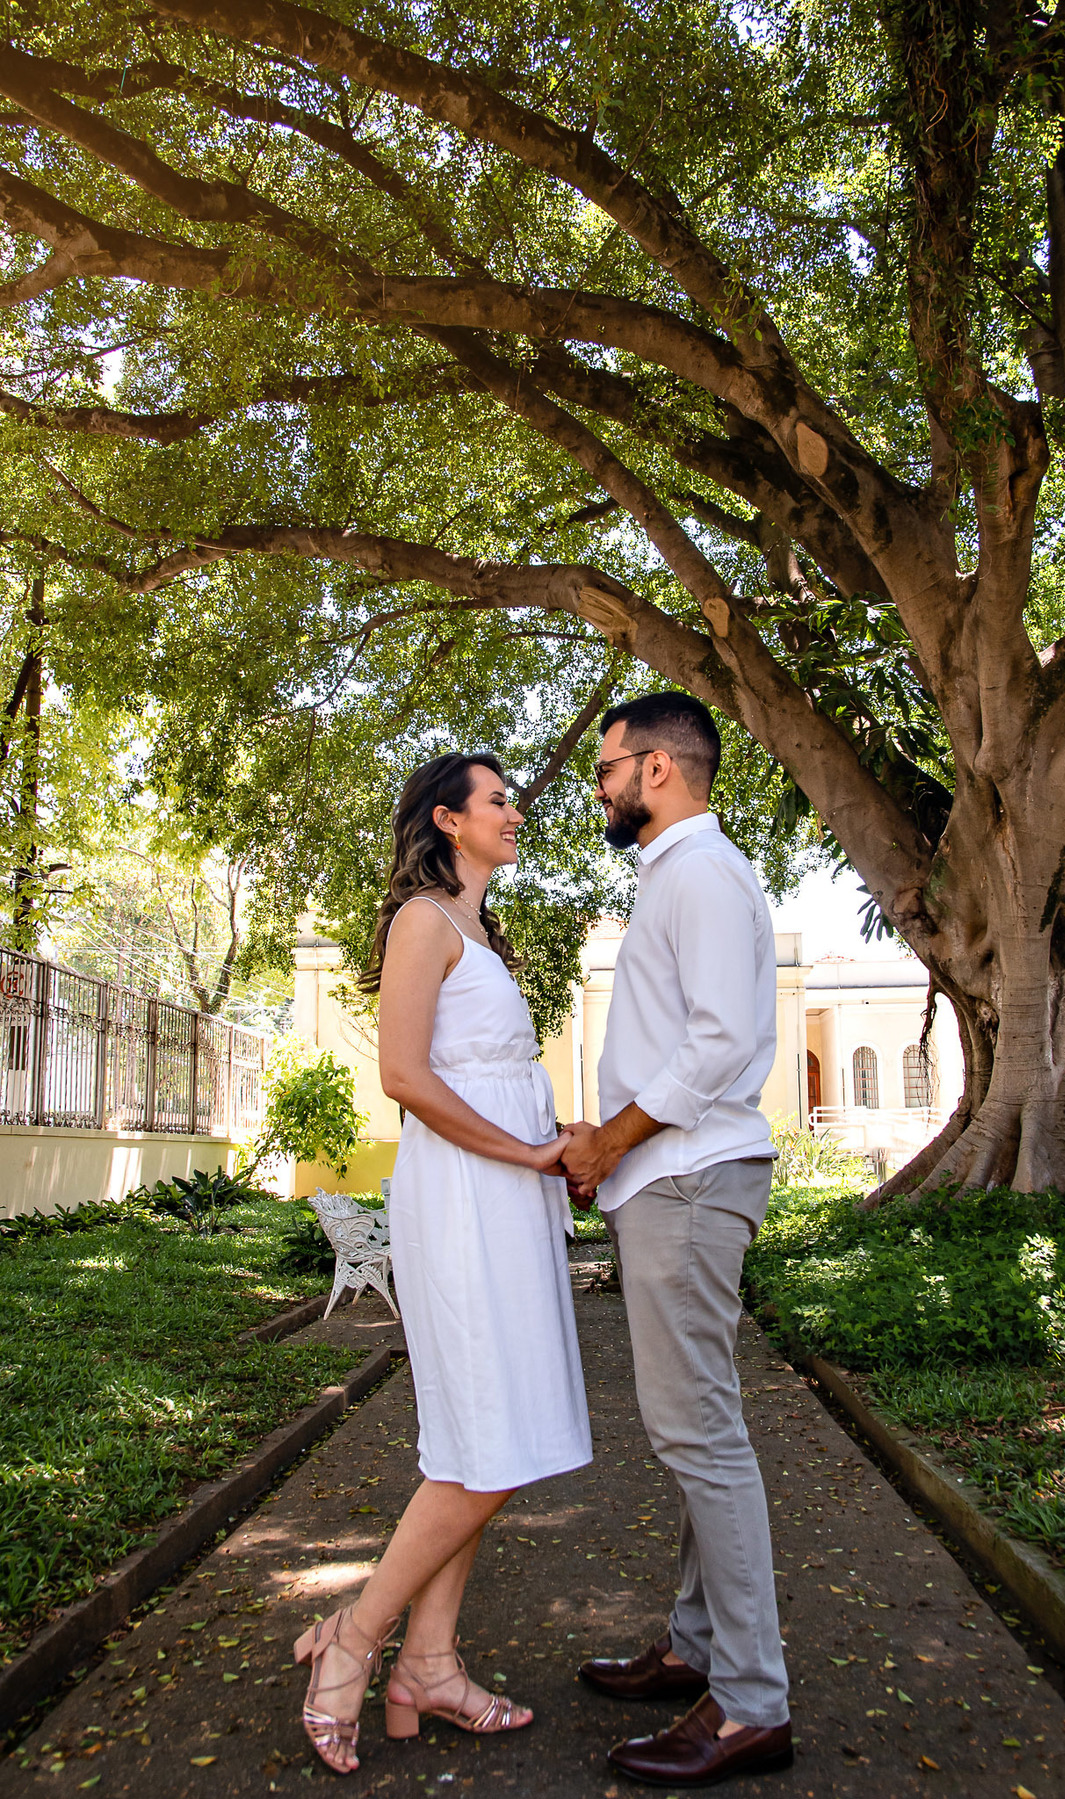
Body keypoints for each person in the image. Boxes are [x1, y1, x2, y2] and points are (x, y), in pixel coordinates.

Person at [294, 752, 591, 1775]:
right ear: (447, 819)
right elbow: (404, 1075)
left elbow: (497, 1077)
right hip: (464, 1200)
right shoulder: (422, 918)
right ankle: (357, 1639)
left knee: (481, 1439)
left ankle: (430, 1662)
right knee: (483, 1443)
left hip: (510, 1193)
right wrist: (525, 1152)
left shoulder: (479, 931)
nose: (516, 811)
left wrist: (562, 1145)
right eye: (498, 799)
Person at [560, 692, 792, 1788]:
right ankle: (696, 1649)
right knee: (703, 1427)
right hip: (681, 1179)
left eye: (606, 767)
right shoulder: (682, 874)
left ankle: (749, 1703)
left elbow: (718, 1042)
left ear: (656, 768)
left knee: (700, 1436)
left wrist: (607, 1139)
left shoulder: (698, 871)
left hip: (686, 1179)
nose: (597, 786)